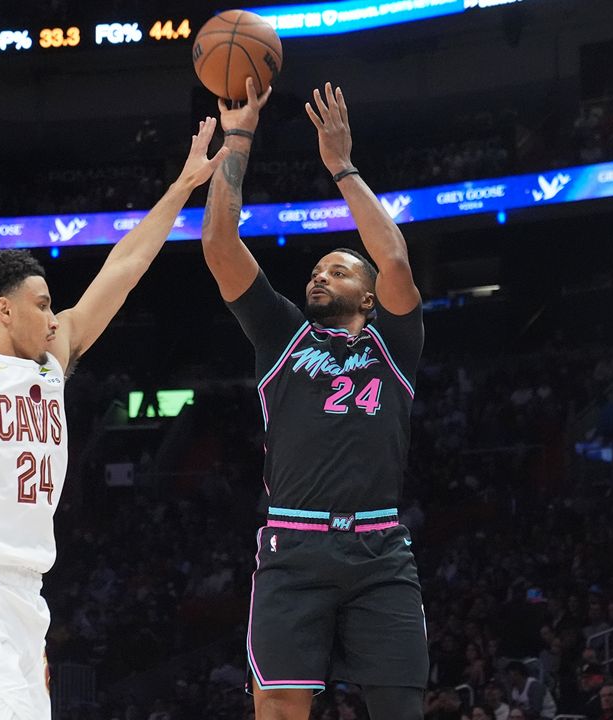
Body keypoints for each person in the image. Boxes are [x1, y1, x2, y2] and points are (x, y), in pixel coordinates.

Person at [0, 119, 227, 719]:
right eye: (43, 304)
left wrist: (183, 185)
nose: (56, 318)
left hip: (26, 601)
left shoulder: (50, 364)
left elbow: (126, 264)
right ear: (2, 310)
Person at [201, 78, 426, 720]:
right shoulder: (280, 334)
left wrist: (342, 166)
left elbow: (398, 263)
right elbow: (219, 244)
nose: (318, 275)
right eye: (316, 269)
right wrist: (239, 137)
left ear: (369, 296)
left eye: (339, 269)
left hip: (381, 549)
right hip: (293, 549)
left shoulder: (396, 343)